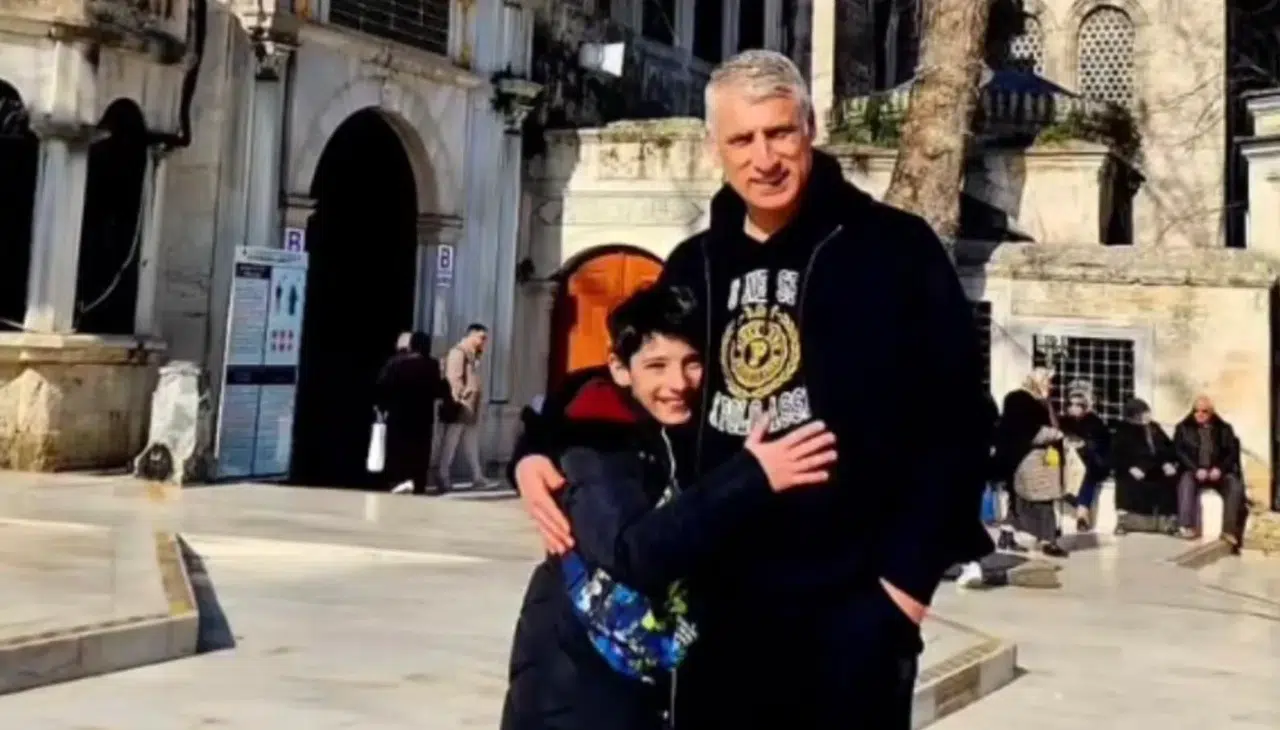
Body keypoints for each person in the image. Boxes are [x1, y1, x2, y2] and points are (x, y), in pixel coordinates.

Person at [509, 49, 993, 729]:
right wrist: (538, 445)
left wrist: (902, 593)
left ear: (810, 128)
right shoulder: (696, 265)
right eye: (742, 140)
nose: (764, 159)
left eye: (779, 133)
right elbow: (630, 376)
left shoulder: (894, 251)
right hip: (716, 618)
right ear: (716, 148)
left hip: (851, 618)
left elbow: (959, 420)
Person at [500, 285, 836, 730]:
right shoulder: (597, 439)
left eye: (691, 362)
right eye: (656, 365)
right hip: (574, 687)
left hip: (637, 683)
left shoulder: (675, 429)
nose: (677, 383)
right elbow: (631, 555)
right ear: (621, 369)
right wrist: (752, 476)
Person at [994, 368, 1068, 557]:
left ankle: (1007, 536)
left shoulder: (1040, 401)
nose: (1051, 385)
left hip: (1032, 459)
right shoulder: (1019, 399)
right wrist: (1053, 434)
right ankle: (1049, 541)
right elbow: (1023, 430)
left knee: (1021, 499)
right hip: (1024, 458)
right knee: (1042, 499)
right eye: (1047, 381)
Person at [374, 331, 446, 496]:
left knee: (397, 449)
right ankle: (418, 484)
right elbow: (438, 390)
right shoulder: (432, 365)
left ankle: (397, 480)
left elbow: (382, 387)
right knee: (420, 451)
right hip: (423, 417)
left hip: (398, 415)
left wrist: (382, 407)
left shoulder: (395, 363)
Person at [1172, 395, 1248, 547]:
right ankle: (1187, 526)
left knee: (1233, 485)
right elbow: (1179, 452)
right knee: (1186, 482)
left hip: (1217, 472)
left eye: (1204, 411)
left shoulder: (1224, 429)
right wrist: (1195, 469)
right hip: (1194, 470)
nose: (1200, 414)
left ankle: (1228, 531)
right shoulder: (1183, 428)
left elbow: (1231, 453)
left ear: (1211, 412)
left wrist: (1220, 469)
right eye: (1196, 411)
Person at [1110, 398, 1179, 535]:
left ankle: (1167, 522)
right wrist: (1131, 467)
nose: (1147, 415)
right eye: (1143, 413)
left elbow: (1167, 448)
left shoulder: (1153, 427)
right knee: (1125, 483)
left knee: (1168, 481)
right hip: (1132, 468)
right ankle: (1123, 522)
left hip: (1154, 466)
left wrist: (1167, 463)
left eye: (1147, 412)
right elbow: (1116, 455)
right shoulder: (1123, 430)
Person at [437, 323, 492, 491]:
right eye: (481, 337)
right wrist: (460, 397)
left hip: (471, 405)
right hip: (461, 405)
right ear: (471, 335)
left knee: (471, 441)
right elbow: (454, 379)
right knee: (451, 440)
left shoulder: (473, 355)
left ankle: (477, 476)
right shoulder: (458, 352)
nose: (484, 341)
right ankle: (443, 475)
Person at [1059, 382, 1111, 532]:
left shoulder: (1094, 422)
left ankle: (1082, 513)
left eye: (1078, 404)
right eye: (1071, 404)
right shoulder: (1064, 421)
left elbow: (1100, 445)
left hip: (1092, 461)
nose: (1073, 407)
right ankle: (1079, 509)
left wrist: (1083, 444)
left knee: (1086, 475)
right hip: (1068, 462)